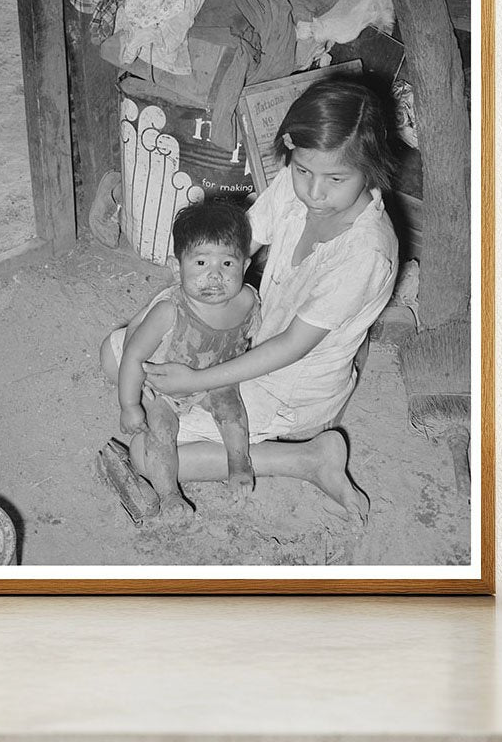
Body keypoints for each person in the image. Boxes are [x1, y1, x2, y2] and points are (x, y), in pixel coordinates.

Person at [139, 77, 399, 525]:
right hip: (249, 342)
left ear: (370, 170)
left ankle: (308, 457)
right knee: (120, 354)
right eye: (302, 171)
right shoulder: (294, 188)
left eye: (336, 178)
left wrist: (194, 381)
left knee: (147, 452)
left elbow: (288, 349)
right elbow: (240, 242)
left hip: (290, 387)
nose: (314, 193)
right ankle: (241, 419)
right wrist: (193, 275)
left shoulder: (364, 253)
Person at [100, 200, 261, 525]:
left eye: (227, 264)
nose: (214, 276)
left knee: (232, 412)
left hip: (215, 379)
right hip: (166, 388)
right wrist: (130, 404)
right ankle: (169, 493)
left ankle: (239, 462)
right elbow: (133, 355)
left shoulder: (247, 300)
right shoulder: (170, 311)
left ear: (244, 265)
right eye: (201, 262)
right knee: (160, 431)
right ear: (178, 268)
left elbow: (253, 339)